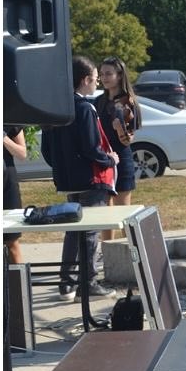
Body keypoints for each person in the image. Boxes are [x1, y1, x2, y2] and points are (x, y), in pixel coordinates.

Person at [41, 55, 119, 301]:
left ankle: (67, 283)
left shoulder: (56, 109)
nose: (97, 83)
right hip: (90, 179)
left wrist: (63, 166)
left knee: (73, 231)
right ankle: (88, 282)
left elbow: (47, 151)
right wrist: (109, 159)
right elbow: (90, 147)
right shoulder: (85, 108)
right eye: (95, 78)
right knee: (89, 232)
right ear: (85, 80)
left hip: (68, 179)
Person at [97, 55, 140, 242]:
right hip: (103, 159)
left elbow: (128, 140)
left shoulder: (128, 102)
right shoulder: (99, 101)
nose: (104, 78)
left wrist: (120, 128)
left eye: (109, 74)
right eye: (101, 74)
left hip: (122, 159)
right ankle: (107, 251)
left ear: (120, 75)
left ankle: (132, 251)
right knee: (106, 212)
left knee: (124, 213)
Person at [3, 126, 27, 265]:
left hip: (7, 182)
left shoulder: (10, 118)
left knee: (12, 241)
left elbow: (22, 154)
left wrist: (3, 138)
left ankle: (18, 278)